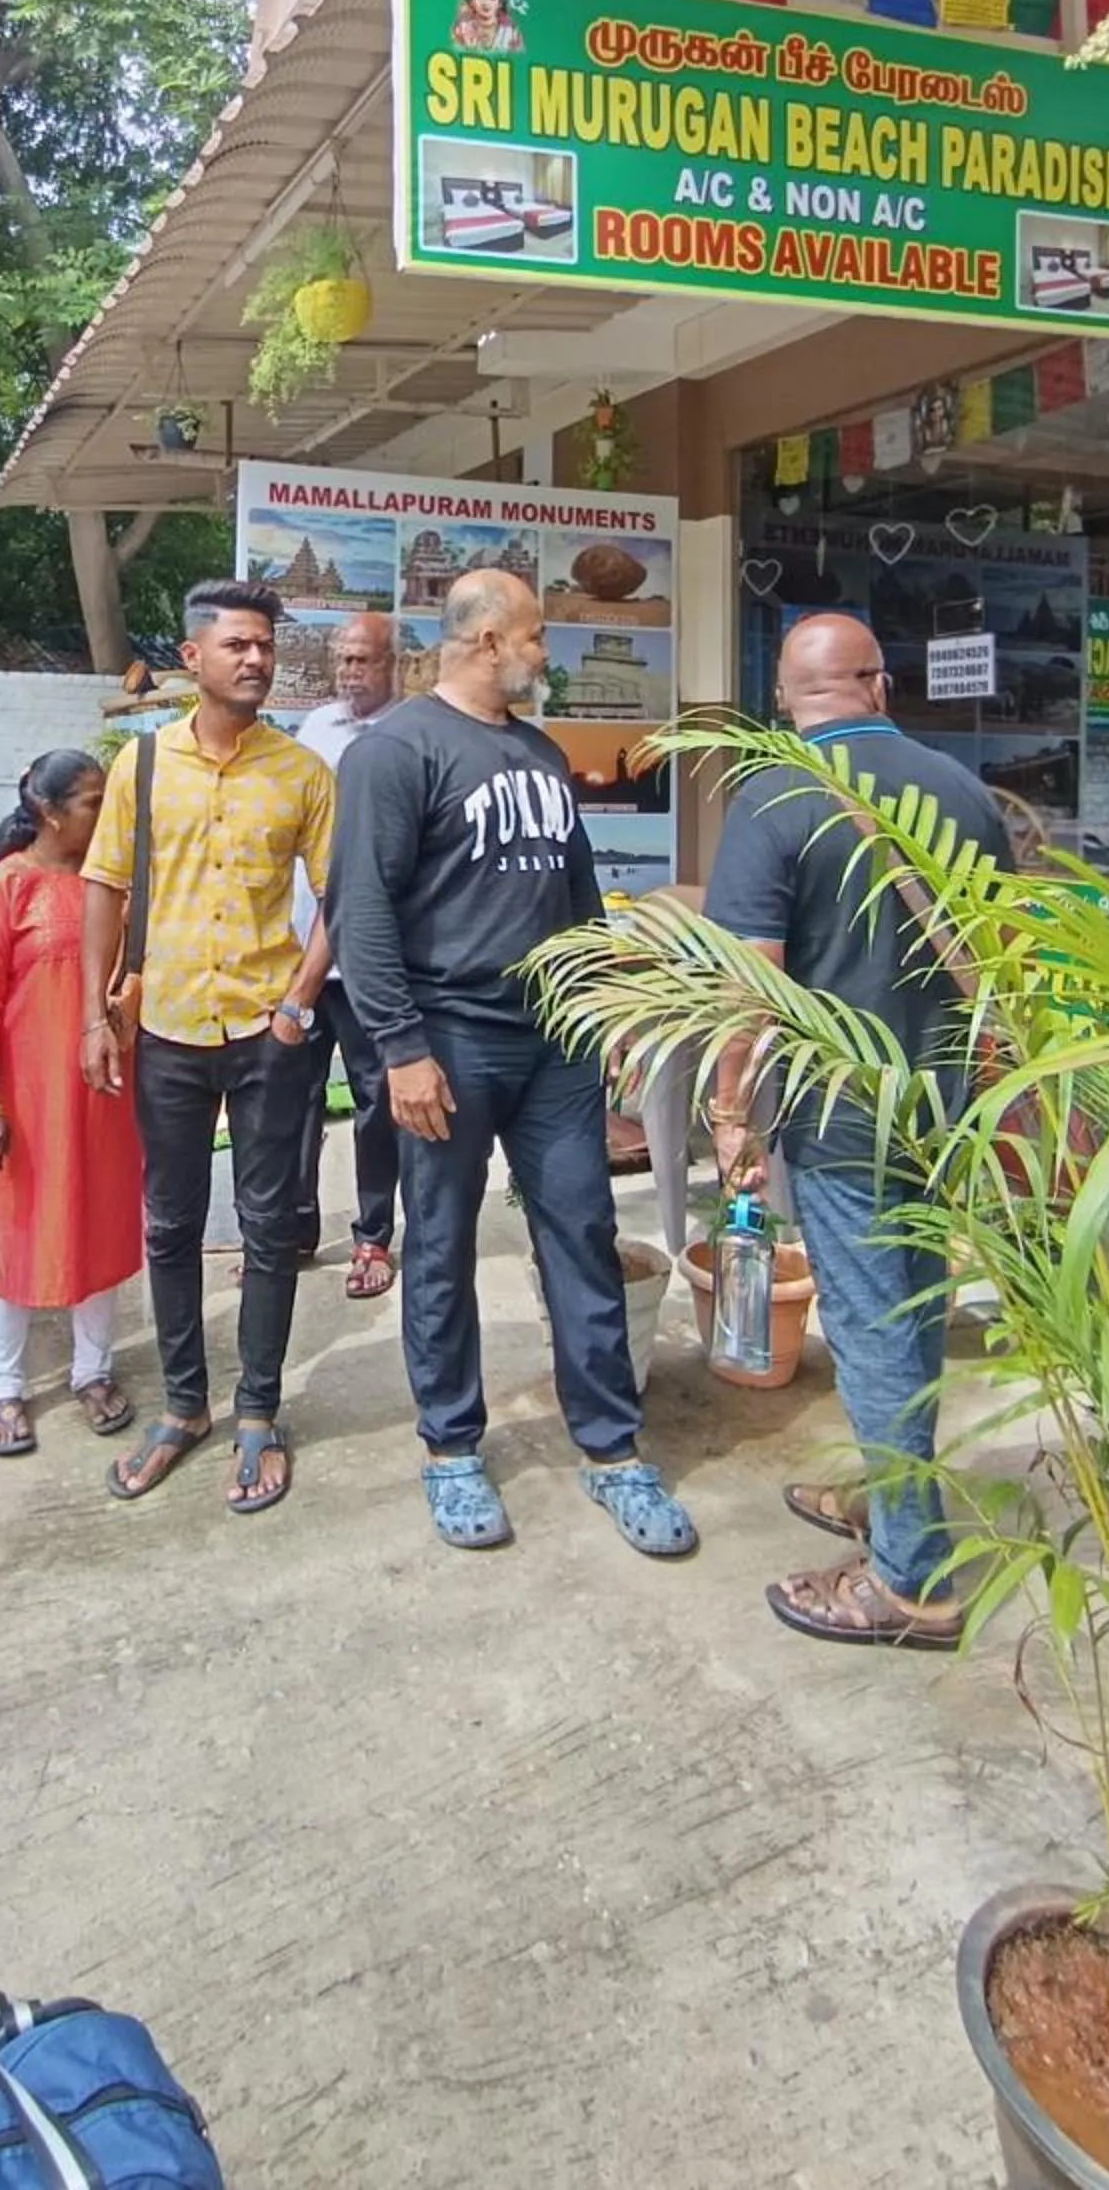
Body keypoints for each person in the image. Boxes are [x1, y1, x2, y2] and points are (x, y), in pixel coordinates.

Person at [329, 568, 698, 1561]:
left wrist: (607, 1013)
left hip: (556, 1045)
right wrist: (401, 1050)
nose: (547, 654)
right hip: (448, 1039)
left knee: (581, 1231)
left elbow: (578, 904)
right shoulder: (394, 753)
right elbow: (359, 916)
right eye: (537, 637)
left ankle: (613, 1449)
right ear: (489, 639)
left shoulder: (540, 753)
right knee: (441, 1244)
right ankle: (452, 1446)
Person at [702, 610, 1008, 1649]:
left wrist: (728, 1110)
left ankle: (910, 1584)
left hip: (843, 1115)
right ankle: (896, 1499)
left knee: (874, 1331)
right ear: (880, 685)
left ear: (786, 697)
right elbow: (1001, 955)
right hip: (946, 1109)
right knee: (911, 1318)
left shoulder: (773, 795)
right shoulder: (965, 791)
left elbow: (755, 985)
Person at [80, 581, 334, 1518]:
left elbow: (341, 893)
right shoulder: (143, 767)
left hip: (268, 1032)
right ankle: (185, 1405)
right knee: (171, 1224)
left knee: (270, 1231)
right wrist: (91, 1016)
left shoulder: (302, 772)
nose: (256, 659)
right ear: (193, 658)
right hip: (169, 1028)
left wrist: (299, 1003)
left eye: (264, 645)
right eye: (237, 645)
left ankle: (259, 1411)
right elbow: (103, 888)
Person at [0, 751, 144, 1458]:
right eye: (94, 802)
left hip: (105, 1094)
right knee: (19, 1232)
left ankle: (93, 1371)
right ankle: (6, 1387)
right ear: (50, 812)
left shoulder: (115, 887)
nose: (105, 813)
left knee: (100, 1223)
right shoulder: (6, 889)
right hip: (25, 1101)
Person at [290, 612, 404, 1296]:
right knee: (293, 1100)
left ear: (395, 664)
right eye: (343, 660)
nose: (350, 671)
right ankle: (293, 1231)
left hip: (371, 960)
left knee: (375, 1099)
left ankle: (372, 1237)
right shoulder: (315, 733)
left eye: (363, 659)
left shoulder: (412, 736)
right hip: (305, 958)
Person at [450, 0, 523, 53]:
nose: (485, 3)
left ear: (500, 3)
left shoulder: (511, 32)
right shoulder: (462, 29)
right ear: (471, 1)